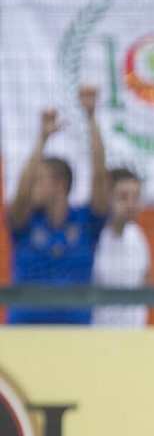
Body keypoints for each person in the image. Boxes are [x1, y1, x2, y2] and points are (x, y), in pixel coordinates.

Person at [8, 85, 109, 325]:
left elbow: (100, 176)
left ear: (60, 187)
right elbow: (21, 192)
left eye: (39, 182)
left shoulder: (86, 222)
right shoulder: (25, 223)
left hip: (73, 336)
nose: (33, 187)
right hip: (24, 333)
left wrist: (91, 116)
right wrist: (42, 139)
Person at [91, 167, 151, 329]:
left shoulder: (137, 236)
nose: (131, 204)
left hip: (135, 338)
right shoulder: (93, 239)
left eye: (135, 197)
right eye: (123, 197)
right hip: (98, 337)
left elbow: (144, 280)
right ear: (108, 198)